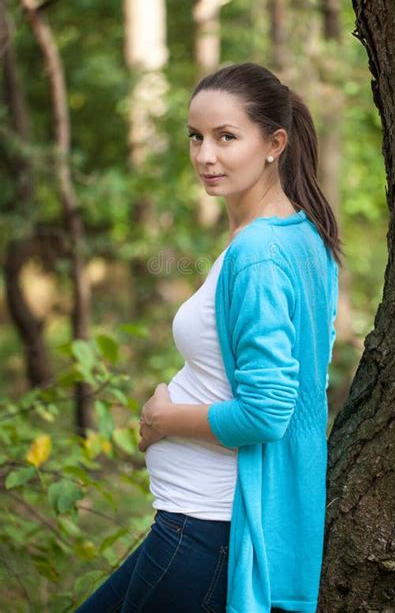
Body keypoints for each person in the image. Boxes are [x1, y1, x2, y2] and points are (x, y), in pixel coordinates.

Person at [75, 61, 342, 612]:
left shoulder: (259, 254)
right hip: (195, 526)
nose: (205, 156)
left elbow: (268, 412)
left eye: (226, 137)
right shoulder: (301, 237)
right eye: (196, 138)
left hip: (206, 529)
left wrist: (161, 419)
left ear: (275, 143)